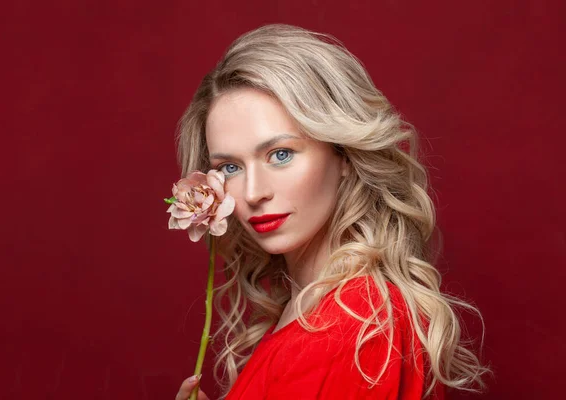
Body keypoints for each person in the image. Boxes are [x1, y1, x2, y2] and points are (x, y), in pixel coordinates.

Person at [174, 24, 490, 400]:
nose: (254, 193)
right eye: (230, 167)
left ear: (342, 154)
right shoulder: (312, 308)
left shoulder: (352, 326)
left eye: (281, 154)